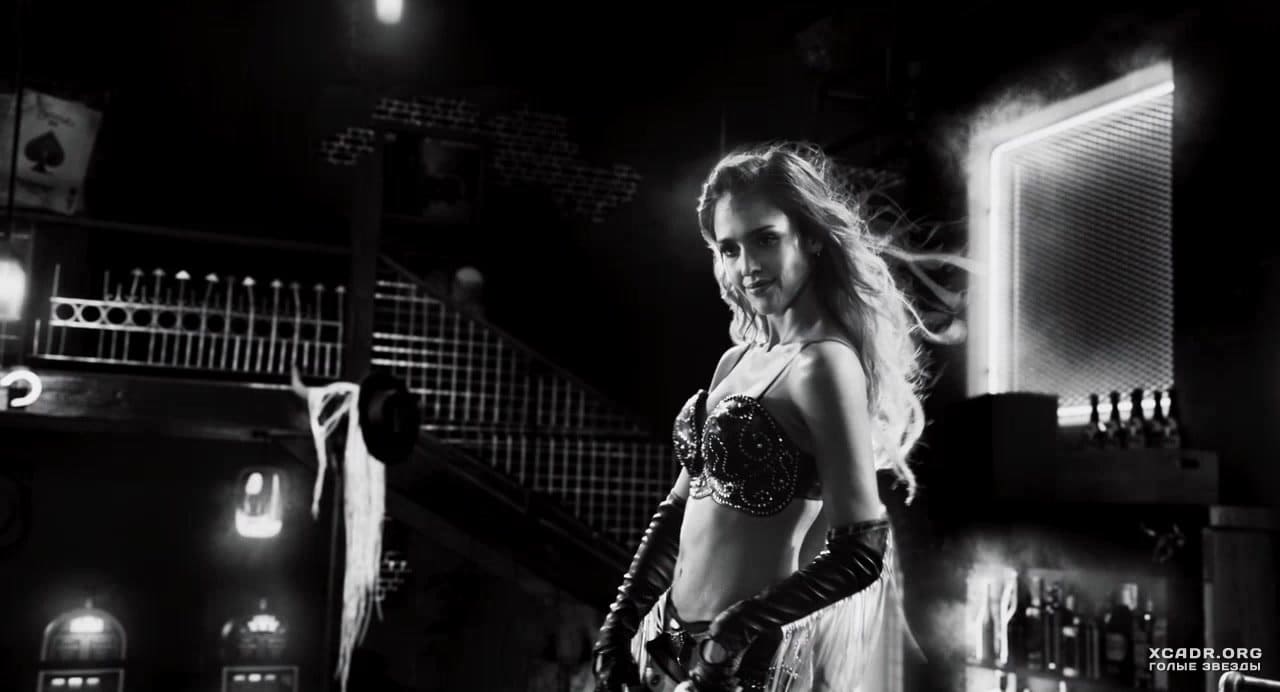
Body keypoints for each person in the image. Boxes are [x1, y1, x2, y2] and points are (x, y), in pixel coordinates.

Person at [592, 142, 929, 692]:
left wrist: (732, 635)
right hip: (667, 641)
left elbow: (861, 552)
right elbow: (678, 511)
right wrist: (617, 627)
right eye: (729, 249)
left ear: (812, 237)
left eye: (765, 239)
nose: (746, 267)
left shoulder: (824, 365)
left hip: (742, 665)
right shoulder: (737, 360)